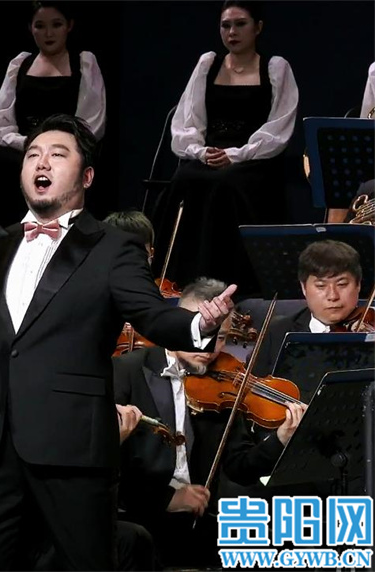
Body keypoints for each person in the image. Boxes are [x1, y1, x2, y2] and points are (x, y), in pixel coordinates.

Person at [0, 114, 237, 570]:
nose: (42, 163)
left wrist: (199, 322)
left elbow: (152, 313)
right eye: (33, 155)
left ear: (87, 176)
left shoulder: (113, 247)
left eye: (57, 155)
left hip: (73, 447)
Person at [113, 277, 306, 568]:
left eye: (221, 337)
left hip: (197, 521)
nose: (209, 348)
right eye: (202, 333)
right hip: (138, 516)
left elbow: (240, 467)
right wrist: (167, 498)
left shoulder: (223, 383)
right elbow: (106, 463)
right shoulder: (127, 371)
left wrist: (280, 438)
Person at [151, 0, 298, 295]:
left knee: (226, 184)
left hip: (252, 161)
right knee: (185, 178)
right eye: (226, 25)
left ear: (258, 27)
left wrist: (236, 155)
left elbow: (277, 129)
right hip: (210, 155)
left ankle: (229, 283)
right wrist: (200, 151)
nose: (232, 32)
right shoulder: (208, 64)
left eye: (240, 24)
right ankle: (178, 280)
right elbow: (188, 119)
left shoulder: (275, 68)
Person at [0, 1, 108, 268]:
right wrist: (26, 143)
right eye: (40, 26)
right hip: (24, 148)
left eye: (56, 25)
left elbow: (92, 124)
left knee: (58, 165)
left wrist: (54, 146)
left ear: (69, 26)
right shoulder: (21, 64)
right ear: (30, 29)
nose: (48, 33)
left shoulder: (83, 63)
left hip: (66, 146)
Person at [251, 240, 364, 378]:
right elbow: (249, 385)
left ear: (358, 285)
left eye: (342, 284)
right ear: (304, 288)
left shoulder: (370, 329)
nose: (333, 296)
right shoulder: (277, 332)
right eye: (321, 286)